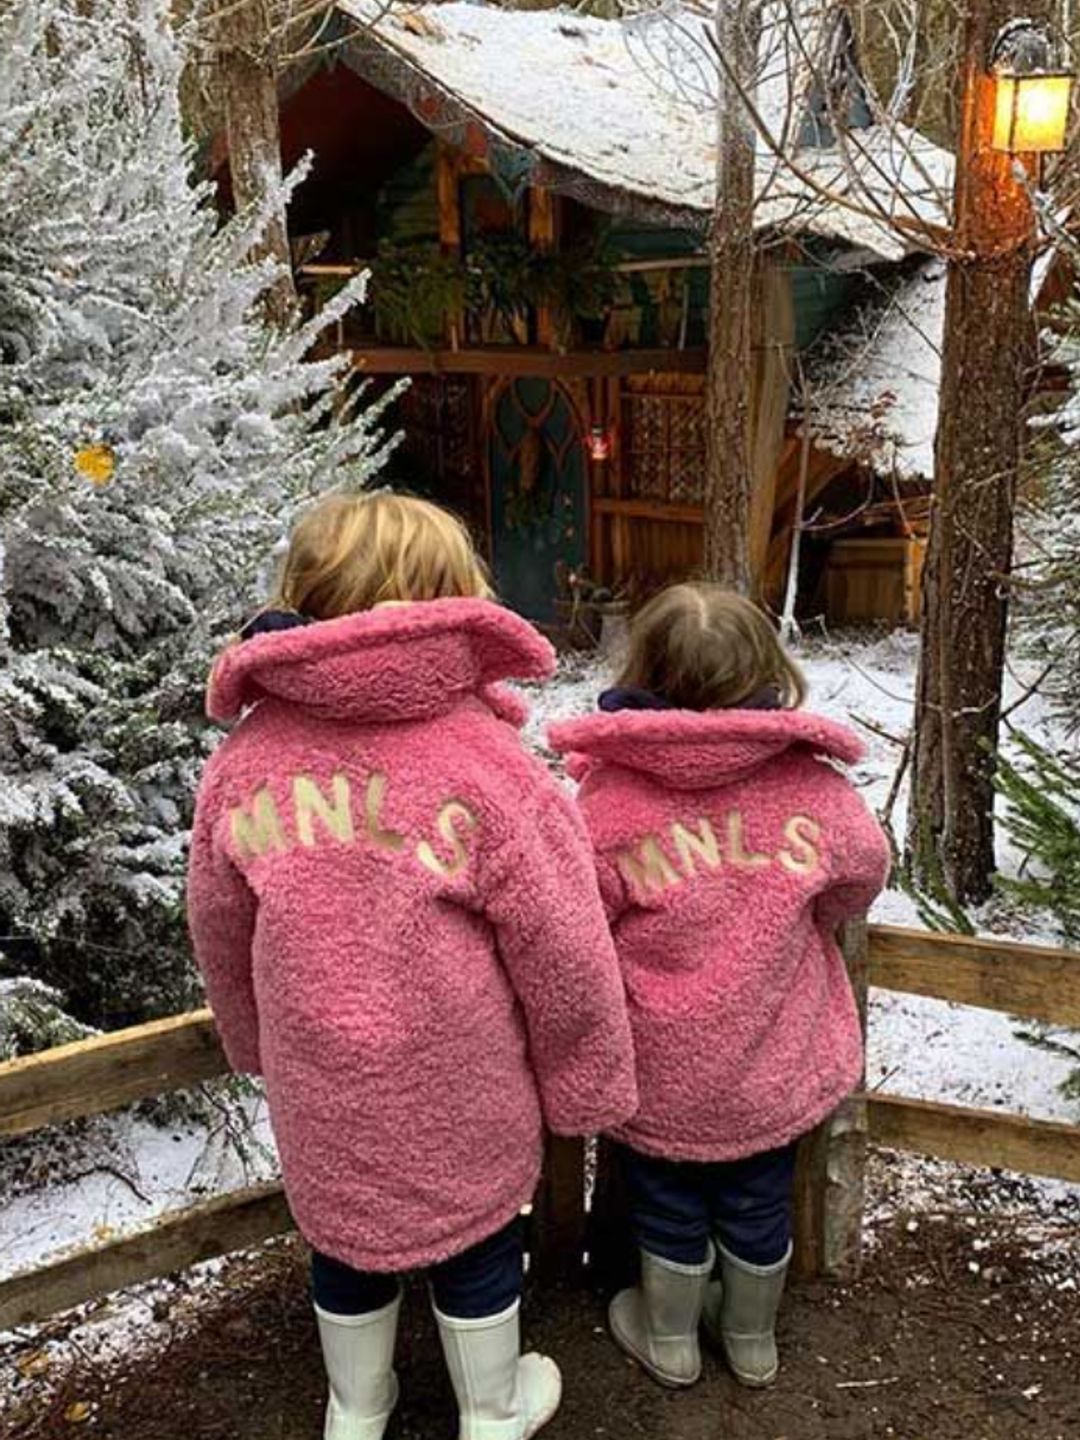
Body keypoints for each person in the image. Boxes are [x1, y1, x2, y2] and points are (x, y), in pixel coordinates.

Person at [188, 492, 637, 1440]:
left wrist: (251, 1038)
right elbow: (564, 944)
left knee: (344, 1242)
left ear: (305, 600)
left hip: (321, 1079)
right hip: (460, 1076)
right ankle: (492, 1408)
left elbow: (218, 924)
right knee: (477, 1240)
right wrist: (585, 1080)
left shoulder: (246, 762)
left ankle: (355, 1408)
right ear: (453, 599)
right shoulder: (489, 763)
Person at [549, 584, 889, 1392]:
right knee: (757, 1198)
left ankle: (669, 1341)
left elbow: (577, 916)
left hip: (658, 1068)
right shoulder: (810, 789)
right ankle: (749, 1337)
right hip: (771, 1058)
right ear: (770, 674)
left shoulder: (609, 797)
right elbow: (862, 874)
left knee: (666, 1204)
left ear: (643, 675)